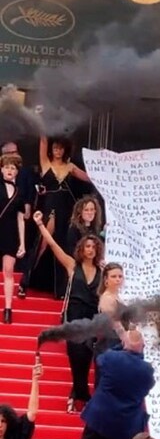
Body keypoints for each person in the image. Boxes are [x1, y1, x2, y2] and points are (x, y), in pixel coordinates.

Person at [33, 210, 103, 414]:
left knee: (85, 357)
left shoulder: (102, 272)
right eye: (87, 246)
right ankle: (81, 395)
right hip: (73, 318)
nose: (90, 249)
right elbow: (54, 246)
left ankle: (77, 393)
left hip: (91, 319)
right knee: (75, 355)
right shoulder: (73, 266)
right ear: (82, 249)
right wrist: (40, 225)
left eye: (93, 246)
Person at [25, 136, 90, 299]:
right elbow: (43, 141)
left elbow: (89, 178)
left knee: (63, 247)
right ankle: (25, 282)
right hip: (50, 208)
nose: (58, 151)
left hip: (65, 210)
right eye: (55, 148)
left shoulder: (70, 166)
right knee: (42, 243)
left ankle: (60, 290)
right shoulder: (46, 163)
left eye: (61, 148)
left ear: (64, 149)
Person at [80, 329, 155, 439]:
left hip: (99, 420)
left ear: (123, 343)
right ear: (142, 346)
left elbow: (100, 359)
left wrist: (121, 347)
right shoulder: (147, 370)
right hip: (126, 427)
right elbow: (148, 386)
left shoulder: (112, 358)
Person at [0, 154, 27, 324]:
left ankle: (8, 308)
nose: (10, 170)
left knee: (8, 271)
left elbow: (20, 219)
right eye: (7, 167)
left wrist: (22, 243)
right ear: (1, 169)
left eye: (13, 168)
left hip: (10, 234)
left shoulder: (20, 192)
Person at [0, 360, 42, 439]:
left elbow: (32, 412)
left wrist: (35, 379)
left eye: (3, 421)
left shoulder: (16, 437)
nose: (0, 425)